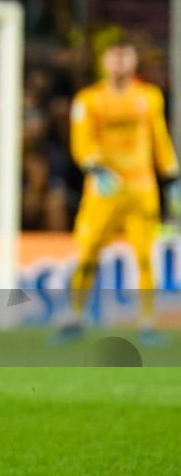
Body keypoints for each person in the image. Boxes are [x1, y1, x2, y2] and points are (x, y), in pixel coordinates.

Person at [58, 38, 180, 345]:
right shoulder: (88, 100)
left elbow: (159, 138)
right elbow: (81, 141)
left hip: (141, 188)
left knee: (144, 257)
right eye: (115, 56)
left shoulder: (149, 97)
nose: (120, 62)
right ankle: (75, 317)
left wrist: (172, 176)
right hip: (103, 190)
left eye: (126, 56)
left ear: (134, 61)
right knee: (86, 253)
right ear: (104, 62)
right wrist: (95, 169)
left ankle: (147, 323)